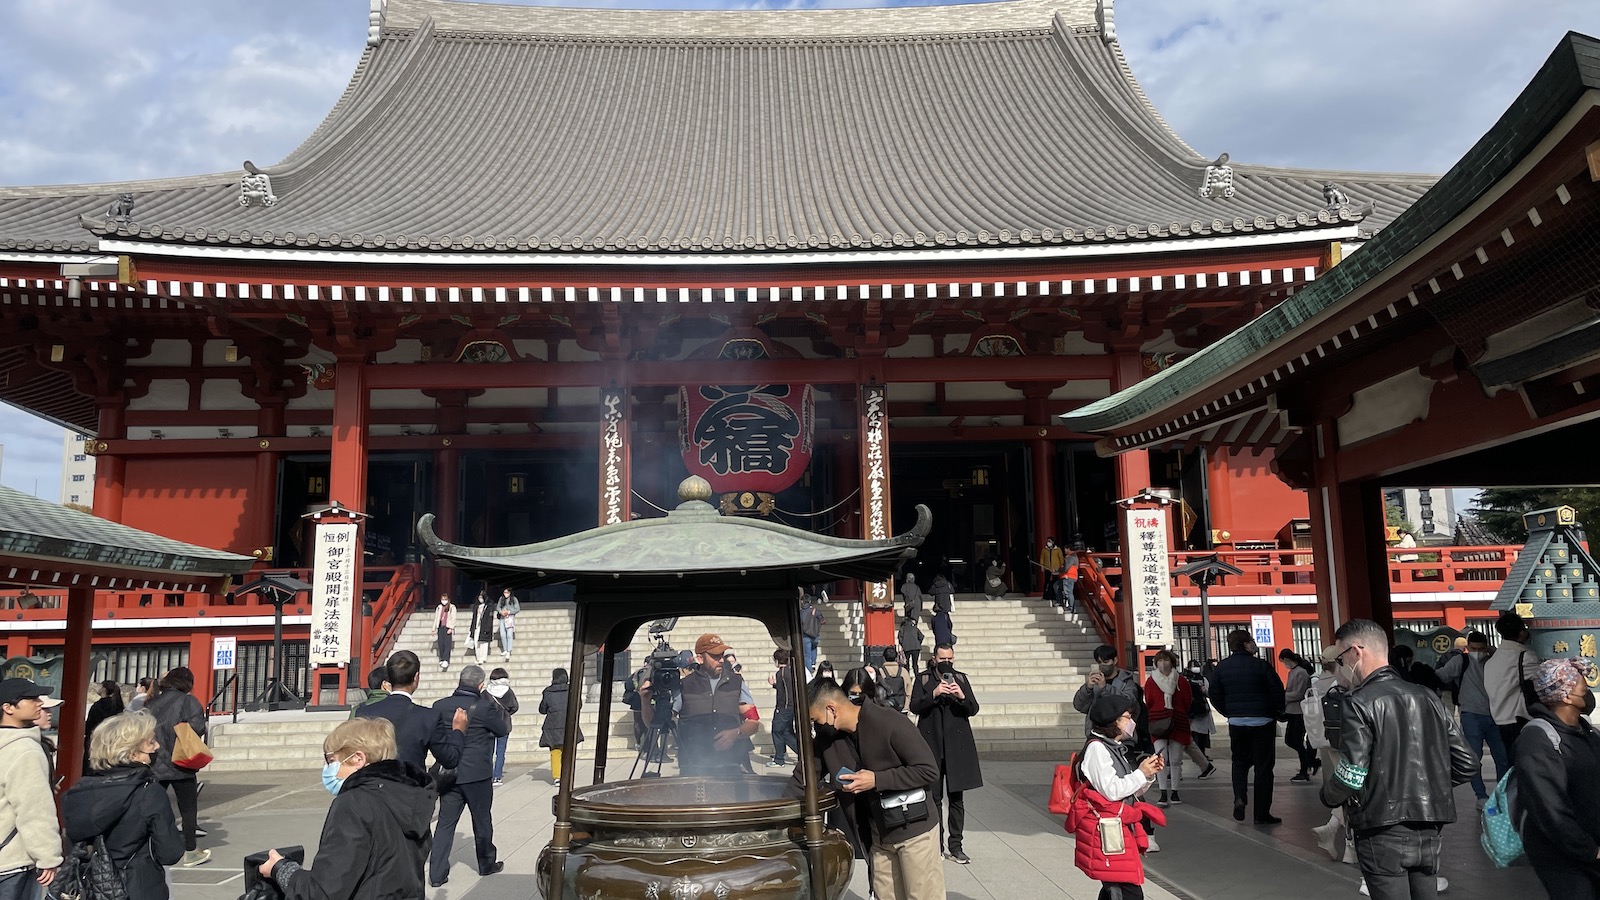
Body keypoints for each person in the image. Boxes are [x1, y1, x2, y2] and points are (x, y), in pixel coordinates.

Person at [1321, 618, 1474, 900]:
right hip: (1430, 827)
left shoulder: (1359, 701)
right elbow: (1467, 763)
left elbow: (1353, 771)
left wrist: (1329, 795)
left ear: (1356, 651)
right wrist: (1427, 787)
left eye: (1341, 657)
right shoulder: (1427, 696)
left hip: (1382, 828)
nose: (1341, 665)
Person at [256, 718, 432, 899]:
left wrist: (281, 869)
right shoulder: (410, 797)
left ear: (358, 759)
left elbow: (323, 892)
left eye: (331, 760)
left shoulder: (354, 803)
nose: (327, 769)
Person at [801, 678, 943, 900]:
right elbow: (803, 777)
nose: (815, 727)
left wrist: (877, 779)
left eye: (815, 720)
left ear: (831, 710)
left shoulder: (889, 721)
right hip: (878, 835)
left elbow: (928, 770)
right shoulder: (828, 740)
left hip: (915, 831)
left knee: (922, 895)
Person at [61, 710, 183, 899]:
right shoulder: (148, 792)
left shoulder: (78, 792)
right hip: (138, 887)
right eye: (151, 742)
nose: (157, 746)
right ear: (132, 752)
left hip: (89, 888)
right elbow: (170, 852)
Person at [1067, 694, 1166, 900]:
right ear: (1113, 721)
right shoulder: (1097, 748)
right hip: (1106, 830)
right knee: (1126, 890)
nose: (1131, 723)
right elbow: (1111, 791)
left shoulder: (1111, 746)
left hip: (1115, 827)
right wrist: (1140, 773)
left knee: (1116, 888)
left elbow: (1128, 790)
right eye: (1126, 717)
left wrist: (1147, 775)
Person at [1517, 658, 1600, 898]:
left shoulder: (1586, 732)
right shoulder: (1537, 740)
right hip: (1563, 855)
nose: (1589, 696)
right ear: (1566, 696)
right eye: (1584, 691)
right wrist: (1588, 850)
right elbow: (1548, 807)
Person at [429, 665, 510, 887]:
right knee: (482, 820)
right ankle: (486, 864)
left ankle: (436, 873)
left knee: (445, 823)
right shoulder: (484, 707)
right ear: (480, 685)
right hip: (477, 774)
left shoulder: (439, 706)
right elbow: (502, 730)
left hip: (449, 773)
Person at [642, 634, 759, 777]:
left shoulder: (737, 683)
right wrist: (645, 701)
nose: (721, 660)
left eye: (722, 655)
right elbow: (656, 725)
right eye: (715, 656)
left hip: (731, 766)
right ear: (700, 658)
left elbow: (754, 722)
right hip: (693, 767)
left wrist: (736, 733)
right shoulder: (684, 686)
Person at [908, 642, 981, 864]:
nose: (946, 663)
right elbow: (914, 707)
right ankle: (936, 846)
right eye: (942, 659)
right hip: (932, 746)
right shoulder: (923, 679)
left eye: (950, 659)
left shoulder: (961, 679)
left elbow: (973, 709)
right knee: (934, 798)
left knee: (957, 799)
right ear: (934, 659)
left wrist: (960, 696)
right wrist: (934, 693)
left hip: (957, 747)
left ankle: (956, 846)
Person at [1209, 629, 1285, 824]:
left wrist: (1229, 712)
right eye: (1251, 641)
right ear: (1245, 645)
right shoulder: (1261, 666)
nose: (1254, 644)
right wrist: (1277, 712)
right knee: (1264, 767)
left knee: (1240, 762)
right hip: (1263, 722)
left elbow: (1215, 694)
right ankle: (1261, 813)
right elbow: (1276, 691)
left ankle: (1240, 797)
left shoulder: (1222, 668)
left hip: (1237, 723)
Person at [0, 678, 63, 900]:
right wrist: (49, 857)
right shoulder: (25, 750)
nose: (39, 703)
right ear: (7, 707)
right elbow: (34, 810)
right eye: (31, 698)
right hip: (12, 861)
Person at [355, 650, 467, 772]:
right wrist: (458, 731)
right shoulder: (428, 717)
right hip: (411, 785)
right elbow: (450, 759)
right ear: (416, 677)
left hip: (372, 785)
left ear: (390, 678)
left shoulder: (363, 712)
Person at [1433, 630, 1507, 811]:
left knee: (1502, 758)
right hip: (1471, 715)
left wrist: (1491, 650)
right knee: (1475, 759)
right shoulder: (1460, 661)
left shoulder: (1493, 660)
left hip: (1495, 715)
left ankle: (1501, 794)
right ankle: (1480, 795)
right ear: (1467, 647)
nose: (1478, 652)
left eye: (1481, 648)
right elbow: (1441, 675)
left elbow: (1504, 660)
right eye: (1474, 648)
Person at [146, 666, 210, 867]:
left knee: (153, 807)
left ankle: (152, 847)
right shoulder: (189, 701)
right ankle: (190, 851)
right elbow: (198, 727)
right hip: (182, 761)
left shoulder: (151, 703)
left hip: (155, 763)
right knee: (188, 809)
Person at [1308, 645, 1355, 863]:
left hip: (1328, 739)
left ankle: (1334, 830)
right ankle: (1349, 846)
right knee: (1355, 790)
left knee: (1347, 788)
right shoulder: (1347, 679)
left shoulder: (1317, 681)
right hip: (1351, 739)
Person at [1484, 610, 1540, 748]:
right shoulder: (1524, 657)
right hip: (1521, 720)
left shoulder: (1491, 661)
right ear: (1521, 633)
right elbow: (1542, 681)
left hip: (1500, 721)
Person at [1144, 649, 1192, 806]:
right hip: (1158, 722)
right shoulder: (1151, 681)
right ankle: (1163, 792)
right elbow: (1148, 700)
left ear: (1172, 662)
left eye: (1166, 660)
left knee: (1176, 759)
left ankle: (1175, 792)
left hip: (1178, 721)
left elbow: (1187, 700)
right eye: (1159, 661)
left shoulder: (1181, 680)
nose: (1162, 664)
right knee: (1160, 758)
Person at [1073, 645, 1144, 739]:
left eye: (1106, 662)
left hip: (1122, 735)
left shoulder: (1127, 682)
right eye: (1099, 662)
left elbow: (1129, 703)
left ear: (1114, 661)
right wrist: (1088, 687)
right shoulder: (1095, 683)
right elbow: (1079, 705)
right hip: (1096, 734)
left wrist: (1105, 688)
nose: (1102, 665)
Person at [1279, 648, 1319, 783]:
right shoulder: (1293, 672)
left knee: (1296, 740)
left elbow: (1299, 693)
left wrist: (1282, 696)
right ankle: (1309, 762)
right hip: (1292, 710)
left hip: (1299, 711)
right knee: (1291, 740)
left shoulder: (1301, 673)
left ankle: (1306, 766)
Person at [537, 668, 580, 787]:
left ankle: (557, 776)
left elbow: (542, 709)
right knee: (568, 751)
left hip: (553, 725)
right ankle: (568, 774)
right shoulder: (572, 689)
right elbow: (579, 705)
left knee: (555, 751)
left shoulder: (548, 692)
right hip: (569, 723)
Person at [1181, 658, 1217, 778]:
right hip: (1193, 712)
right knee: (1191, 738)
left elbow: (1209, 692)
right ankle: (1204, 764)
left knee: (1195, 738)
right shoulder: (1185, 679)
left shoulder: (1201, 679)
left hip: (1198, 711)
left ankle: (1203, 762)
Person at [82, 680, 125, 775]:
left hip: (95, 740)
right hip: (112, 740)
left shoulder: (98, 706)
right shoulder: (118, 705)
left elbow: (90, 725)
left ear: (104, 689)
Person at [766, 650, 799, 768]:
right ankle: (781, 753)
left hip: (784, 707)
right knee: (787, 732)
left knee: (778, 731)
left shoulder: (781, 674)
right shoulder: (791, 671)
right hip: (791, 707)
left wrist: (774, 685)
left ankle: (779, 759)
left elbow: (783, 693)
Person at [486, 667, 519, 786]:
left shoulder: (486, 692)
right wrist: (506, 714)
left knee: (488, 752)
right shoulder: (508, 691)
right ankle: (497, 776)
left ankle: (488, 775)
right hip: (504, 725)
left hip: (488, 726)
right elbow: (514, 707)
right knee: (500, 752)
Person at [799, 588, 825, 675]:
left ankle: (809, 670)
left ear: (802, 601)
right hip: (815, 634)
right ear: (810, 601)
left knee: (807, 654)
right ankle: (813, 664)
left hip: (805, 635)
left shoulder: (800, 612)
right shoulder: (815, 610)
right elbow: (822, 621)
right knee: (814, 648)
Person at [879, 647, 909, 713]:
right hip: (902, 706)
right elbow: (909, 690)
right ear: (896, 658)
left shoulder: (880, 672)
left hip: (885, 707)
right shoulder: (904, 671)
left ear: (884, 658)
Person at [468, 591, 495, 663]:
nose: (480, 599)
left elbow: (490, 618)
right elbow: (474, 618)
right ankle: (478, 657)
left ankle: (483, 657)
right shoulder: (476, 606)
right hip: (477, 626)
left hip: (485, 627)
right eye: (479, 597)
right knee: (477, 642)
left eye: (481, 597)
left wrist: (488, 628)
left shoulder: (489, 606)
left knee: (484, 643)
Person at [495, 587, 520, 661]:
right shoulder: (501, 599)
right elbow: (498, 607)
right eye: (504, 592)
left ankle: (509, 650)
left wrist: (509, 611)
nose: (506, 594)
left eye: (507, 592)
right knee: (502, 634)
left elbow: (517, 609)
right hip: (502, 618)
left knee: (509, 634)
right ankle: (505, 649)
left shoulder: (514, 599)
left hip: (509, 618)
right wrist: (500, 611)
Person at [435, 592, 457, 670]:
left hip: (448, 627)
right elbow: (436, 618)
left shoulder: (452, 607)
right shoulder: (439, 607)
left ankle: (446, 659)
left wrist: (451, 628)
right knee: (441, 643)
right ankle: (442, 658)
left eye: (445, 599)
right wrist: (433, 628)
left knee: (447, 644)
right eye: (442, 599)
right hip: (440, 627)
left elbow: (454, 618)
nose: (443, 601)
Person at [1041, 537, 1065, 603]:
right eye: (1047, 541)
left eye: (1049, 541)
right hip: (1047, 568)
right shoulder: (1044, 550)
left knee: (1055, 582)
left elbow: (1061, 558)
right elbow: (1042, 558)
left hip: (1056, 569)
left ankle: (1054, 595)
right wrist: (1042, 566)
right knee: (1047, 582)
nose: (1048, 542)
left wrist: (1061, 566)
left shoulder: (1058, 549)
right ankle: (1045, 595)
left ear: (1053, 542)